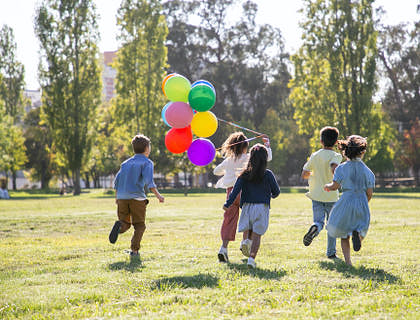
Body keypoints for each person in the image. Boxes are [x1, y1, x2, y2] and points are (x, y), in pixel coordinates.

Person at [214, 132, 272, 263]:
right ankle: (246, 242)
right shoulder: (248, 158)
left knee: (229, 220)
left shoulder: (228, 160)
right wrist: (267, 145)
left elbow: (216, 171)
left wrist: (228, 171)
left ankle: (223, 248)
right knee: (250, 218)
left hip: (230, 193)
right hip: (245, 192)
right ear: (245, 146)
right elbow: (267, 158)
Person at [223, 144, 280, 268]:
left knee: (249, 227)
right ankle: (251, 259)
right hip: (261, 207)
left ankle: (246, 241)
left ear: (250, 158)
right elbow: (276, 192)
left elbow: (235, 191)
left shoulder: (244, 174)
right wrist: (271, 195)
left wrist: (228, 203)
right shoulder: (268, 174)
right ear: (265, 159)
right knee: (257, 234)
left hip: (247, 207)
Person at [109, 134, 164, 259]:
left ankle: (119, 227)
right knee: (139, 225)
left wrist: (117, 198)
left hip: (122, 198)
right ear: (146, 148)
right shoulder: (147, 163)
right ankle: (134, 250)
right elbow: (149, 182)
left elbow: (116, 182)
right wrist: (158, 196)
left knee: (125, 223)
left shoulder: (125, 163)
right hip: (137, 198)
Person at [325, 135, 375, 266]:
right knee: (362, 229)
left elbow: (335, 186)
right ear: (362, 152)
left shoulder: (341, 168)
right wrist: (364, 202)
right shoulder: (368, 172)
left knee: (343, 234)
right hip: (361, 201)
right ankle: (357, 237)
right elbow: (369, 193)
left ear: (345, 150)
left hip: (345, 201)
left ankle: (348, 262)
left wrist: (327, 186)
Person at [301, 126, 342, 259]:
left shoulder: (315, 155)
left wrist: (313, 174)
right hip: (331, 195)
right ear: (336, 142)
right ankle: (331, 253)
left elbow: (304, 174)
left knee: (318, 221)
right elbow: (334, 168)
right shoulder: (336, 155)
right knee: (332, 225)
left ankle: (315, 227)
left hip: (316, 194)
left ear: (321, 141)